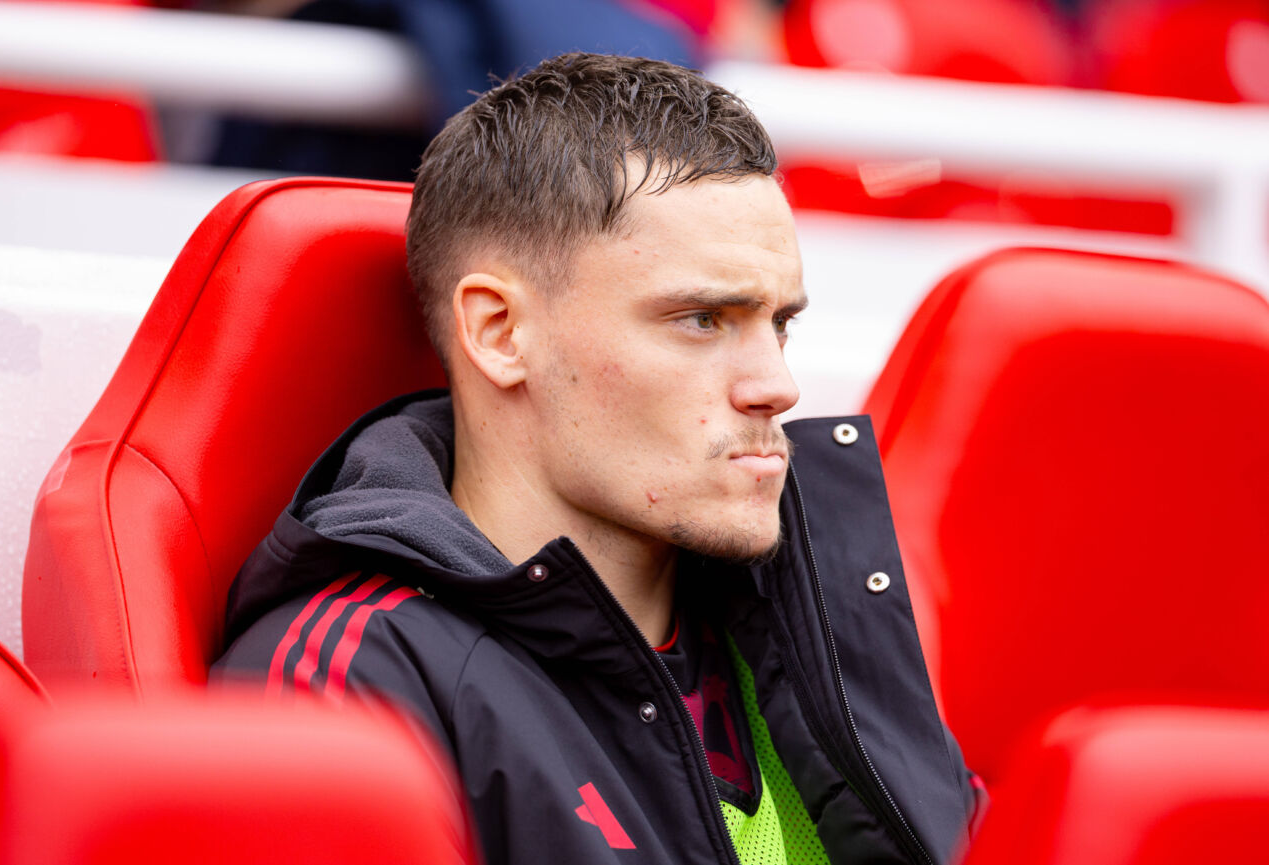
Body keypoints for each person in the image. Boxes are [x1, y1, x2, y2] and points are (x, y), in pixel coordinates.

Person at [213, 52, 981, 865]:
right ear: (501, 333)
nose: (777, 385)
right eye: (702, 319)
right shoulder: (351, 683)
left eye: (778, 324)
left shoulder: (820, 606)